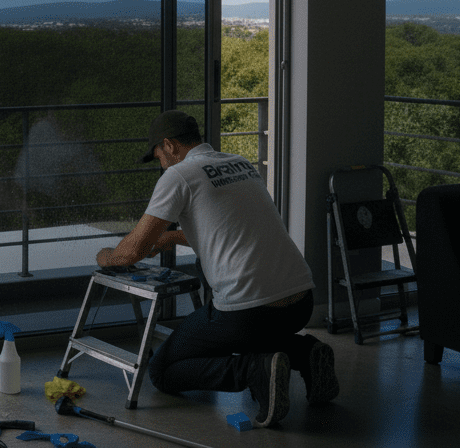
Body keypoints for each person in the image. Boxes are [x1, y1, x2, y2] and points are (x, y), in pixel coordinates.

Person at [94, 110, 338, 428]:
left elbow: (134, 251)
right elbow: (229, 228)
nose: (161, 165)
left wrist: (107, 256)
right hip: (299, 302)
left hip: (249, 312)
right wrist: (172, 237)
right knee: (253, 333)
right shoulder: (239, 163)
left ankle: (254, 372)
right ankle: (305, 353)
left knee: (162, 370)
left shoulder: (179, 175)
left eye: (158, 157)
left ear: (169, 145)